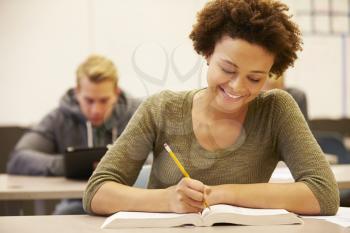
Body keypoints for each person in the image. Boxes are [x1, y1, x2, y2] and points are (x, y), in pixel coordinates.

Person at [83, 0, 339, 216]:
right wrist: (169, 200)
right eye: (228, 69)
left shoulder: (276, 110)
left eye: (255, 78)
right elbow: (97, 192)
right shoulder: (161, 109)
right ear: (207, 53)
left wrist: (220, 194)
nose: (238, 87)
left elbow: (324, 194)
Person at [7, 54, 141, 214]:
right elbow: (19, 158)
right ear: (77, 92)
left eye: (104, 100)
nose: (96, 110)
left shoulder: (139, 113)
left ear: (116, 92)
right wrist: (71, 165)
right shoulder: (59, 118)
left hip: (133, 201)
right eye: (89, 100)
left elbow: (158, 159)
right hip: (78, 204)